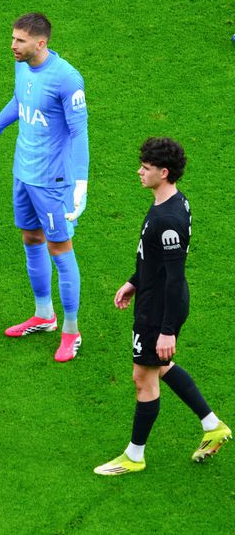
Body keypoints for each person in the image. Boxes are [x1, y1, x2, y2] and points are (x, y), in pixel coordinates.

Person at [0, 12, 89, 362]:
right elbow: (20, 101)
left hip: (53, 181)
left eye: (20, 40)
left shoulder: (67, 79)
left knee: (60, 248)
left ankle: (71, 331)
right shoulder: (23, 66)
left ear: (40, 43)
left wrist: (80, 183)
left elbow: (79, 133)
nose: (12, 45)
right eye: (13, 38)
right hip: (23, 173)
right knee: (31, 238)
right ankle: (44, 315)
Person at [94, 138, 230, 475]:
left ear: (164, 172)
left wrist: (167, 330)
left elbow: (174, 277)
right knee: (159, 366)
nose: (139, 172)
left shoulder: (168, 219)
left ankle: (134, 456)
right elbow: (154, 261)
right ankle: (212, 425)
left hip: (158, 309)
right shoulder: (171, 201)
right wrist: (134, 281)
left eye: (146, 168)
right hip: (153, 298)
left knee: (143, 378)